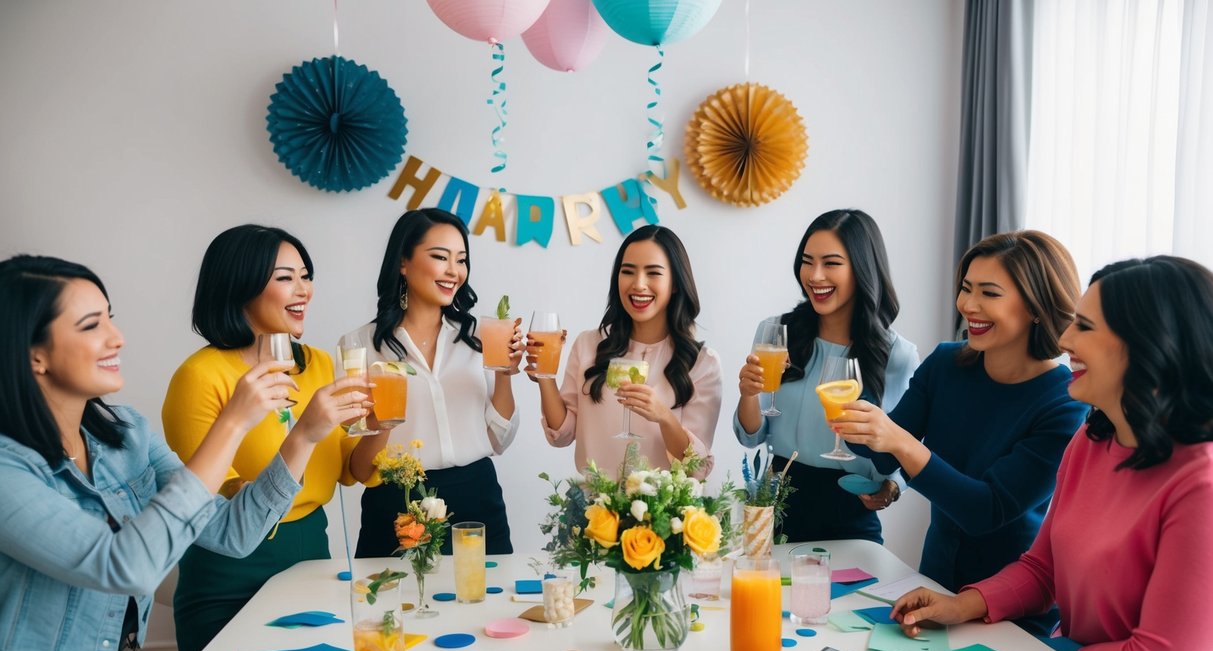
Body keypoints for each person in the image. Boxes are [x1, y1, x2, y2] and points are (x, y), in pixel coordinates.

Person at [0, 254, 346, 651]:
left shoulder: (123, 433)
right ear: (32, 353)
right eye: (91, 326)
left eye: (111, 317)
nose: (117, 337)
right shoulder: (8, 468)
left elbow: (231, 535)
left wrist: (305, 436)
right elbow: (124, 568)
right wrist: (231, 425)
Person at [892, 256, 1213, 651]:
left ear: (1148, 347)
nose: (1064, 340)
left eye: (1084, 326)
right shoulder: (1091, 440)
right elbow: (1043, 571)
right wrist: (961, 605)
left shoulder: (1201, 486)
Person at [163, 225, 388, 651]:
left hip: (311, 555)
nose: (303, 289)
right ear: (239, 286)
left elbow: (354, 470)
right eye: (285, 277)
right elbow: (223, 513)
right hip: (231, 568)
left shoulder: (320, 364)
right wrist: (305, 430)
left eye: (306, 275)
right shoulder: (200, 377)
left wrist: (383, 425)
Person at [836, 230, 1086, 591]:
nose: (967, 304)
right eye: (966, 288)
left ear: (1036, 307)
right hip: (934, 580)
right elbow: (885, 457)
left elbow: (985, 510)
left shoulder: (1064, 404)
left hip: (1012, 597)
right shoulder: (945, 365)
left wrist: (900, 442)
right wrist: (855, 420)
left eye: (989, 293)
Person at [343, 208, 522, 557]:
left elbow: (499, 440)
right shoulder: (359, 346)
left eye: (461, 260)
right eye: (440, 257)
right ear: (403, 263)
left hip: (477, 495)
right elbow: (360, 469)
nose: (454, 271)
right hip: (396, 501)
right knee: (394, 609)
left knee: (485, 607)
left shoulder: (479, 338)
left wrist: (505, 373)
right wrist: (382, 424)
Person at [734, 209, 918, 543]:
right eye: (808, 261)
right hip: (777, 500)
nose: (815, 275)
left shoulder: (897, 354)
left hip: (849, 510)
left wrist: (894, 486)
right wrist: (748, 393)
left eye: (831, 263)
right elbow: (752, 436)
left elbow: (907, 443)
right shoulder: (777, 333)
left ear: (862, 268)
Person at [528, 224, 723, 479]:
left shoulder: (702, 363)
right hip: (594, 513)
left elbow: (694, 468)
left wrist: (664, 416)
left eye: (653, 273)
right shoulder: (588, 345)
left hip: (666, 514)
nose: (639, 285)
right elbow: (561, 435)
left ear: (675, 283)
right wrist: (545, 377)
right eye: (628, 271)